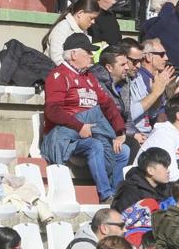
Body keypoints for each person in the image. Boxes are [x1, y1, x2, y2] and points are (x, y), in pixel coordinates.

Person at [42, 33, 131, 202]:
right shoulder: (59, 76)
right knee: (95, 145)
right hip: (66, 133)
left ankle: (117, 194)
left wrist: (120, 131)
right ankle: (105, 194)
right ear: (74, 54)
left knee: (123, 151)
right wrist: (79, 126)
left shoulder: (89, 77)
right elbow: (52, 110)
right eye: (88, 52)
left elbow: (108, 105)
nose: (92, 56)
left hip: (93, 129)